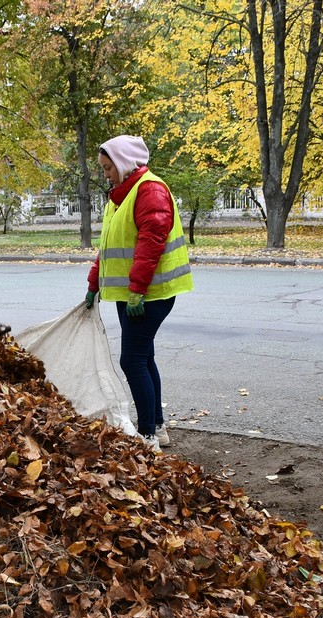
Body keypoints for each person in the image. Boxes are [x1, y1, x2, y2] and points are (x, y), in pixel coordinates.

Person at [85, 134, 193, 453]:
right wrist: (94, 285)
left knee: (131, 360)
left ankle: (147, 437)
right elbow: (107, 248)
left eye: (108, 168)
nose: (105, 174)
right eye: (103, 168)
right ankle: (156, 427)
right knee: (143, 357)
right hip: (133, 294)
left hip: (150, 294)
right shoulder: (121, 195)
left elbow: (151, 243)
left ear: (123, 163)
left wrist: (137, 290)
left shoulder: (149, 189)